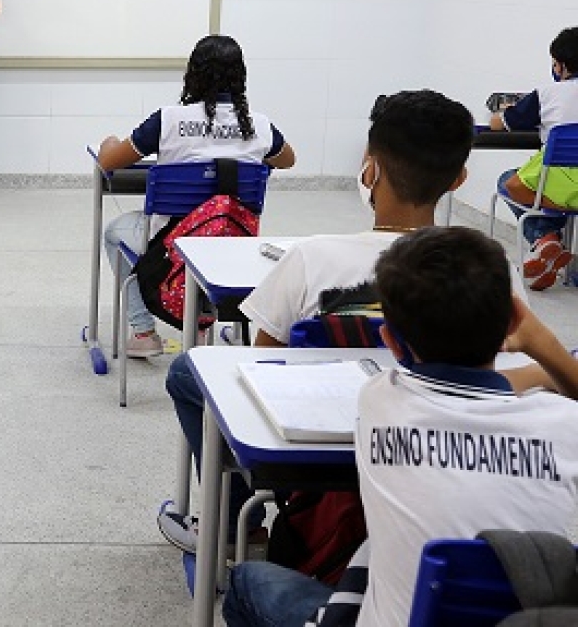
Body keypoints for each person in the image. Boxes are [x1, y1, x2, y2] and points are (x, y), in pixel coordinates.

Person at [159, 89, 494, 553]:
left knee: (187, 372)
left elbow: (265, 368)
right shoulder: (487, 270)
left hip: (315, 455)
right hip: (442, 454)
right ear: (458, 178)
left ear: (370, 169)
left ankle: (236, 521)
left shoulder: (312, 258)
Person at [222, 226, 578, 627]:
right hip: (523, 614)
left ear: (390, 342)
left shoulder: (380, 399)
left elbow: (454, 390)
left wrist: (531, 375)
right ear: (514, 318)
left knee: (247, 581)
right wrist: (541, 351)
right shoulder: (564, 426)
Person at [98, 34, 296, 358]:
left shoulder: (169, 119)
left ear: (193, 73)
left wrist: (108, 143)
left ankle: (144, 332)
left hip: (169, 243)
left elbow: (109, 162)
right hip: (231, 240)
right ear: (240, 76)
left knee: (112, 232)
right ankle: (202, 324)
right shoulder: (259, 126)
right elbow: (287, 159)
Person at [490, 26, 578, 290]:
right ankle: (549, 244)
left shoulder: (548, 94)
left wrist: (505, 111)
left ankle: (545, 238)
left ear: (560, 66)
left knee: (507, 182)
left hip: (556, 187)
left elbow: (500, 124)